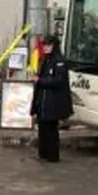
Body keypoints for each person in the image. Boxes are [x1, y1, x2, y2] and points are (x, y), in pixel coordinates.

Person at [30, 34, 73, 163]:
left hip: (53, 101)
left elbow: (58, 81)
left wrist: (40, 80)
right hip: (43, 100)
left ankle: (53, 155)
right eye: (44, 45)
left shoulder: (59, 61)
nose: (45, 47)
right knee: (42, 128)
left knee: (51, 129)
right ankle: (43, 154)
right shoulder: (45, 60)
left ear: (54, 46)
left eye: (48, 45)